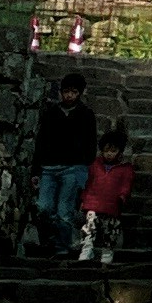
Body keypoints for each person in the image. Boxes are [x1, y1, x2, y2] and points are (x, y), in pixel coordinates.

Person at [28, 71, 96, 254]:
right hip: (48, 167)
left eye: (74, 92)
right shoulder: (51, 113)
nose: (69, 95)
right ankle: (49, 240)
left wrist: (84, 167)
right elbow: (41, 142)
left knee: (64, 211)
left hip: (72, 168)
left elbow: (91, 143)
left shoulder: (86, 114)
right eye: (66, 91)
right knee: (43, 207)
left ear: (80, 93)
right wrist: (36, 170)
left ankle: (62, 247)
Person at [75, 123, 138, 268]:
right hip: (93, 203)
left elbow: (126, 185)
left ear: (119, 152)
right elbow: (88, 183)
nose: (109, 154)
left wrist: (123, 196)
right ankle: (87, 249)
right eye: (106, 151)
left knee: (110, 230)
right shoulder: (95, 165)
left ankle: (107, 252)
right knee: (89, 228)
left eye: (113, 151)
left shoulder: (125, 169)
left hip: (112, 204)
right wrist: (84, 199)